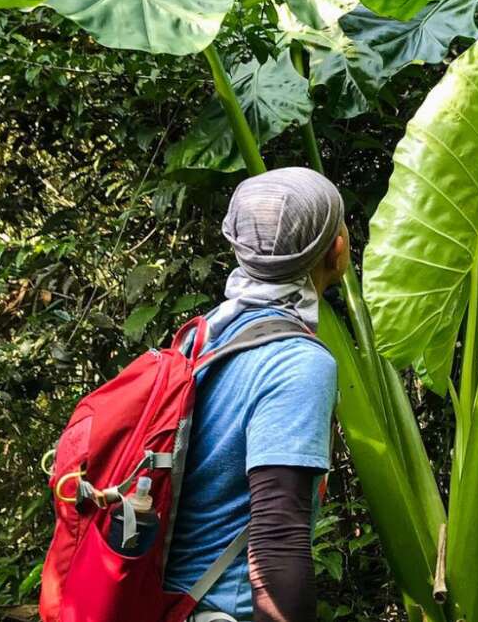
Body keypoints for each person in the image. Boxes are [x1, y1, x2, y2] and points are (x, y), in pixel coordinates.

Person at [163, 167, 349, 622]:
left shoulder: (206, 335)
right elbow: (278, 536)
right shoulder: (296, 362)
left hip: (171, 604)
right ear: (337, 248)